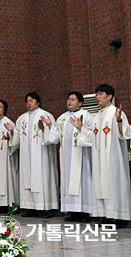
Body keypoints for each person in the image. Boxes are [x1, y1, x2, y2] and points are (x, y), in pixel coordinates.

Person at [47, 91, 94, 222]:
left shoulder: (86, 116)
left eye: (73, 99)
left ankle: (85, 212)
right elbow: (54, 138)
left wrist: (80, 128)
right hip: (66, 156)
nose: (69, 101)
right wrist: (50, 125)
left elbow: (91, 135)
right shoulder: (62, 117)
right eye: (68, 99)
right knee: (68, 182)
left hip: (81, 154)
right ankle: (73, 211)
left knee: (82, 181)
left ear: (80, 103)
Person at [11, 92, 58, 218]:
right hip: (27, 153)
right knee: (27, 178)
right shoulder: (21, 118)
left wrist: (46, 128)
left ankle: (45, 208)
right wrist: (11, 133)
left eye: (31, 100)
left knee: (42, 178)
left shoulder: (46, 115)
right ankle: (30, 207)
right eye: (27, 101)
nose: (29, 103)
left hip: (41, 153)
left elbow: (53, 136)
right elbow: (16, 135)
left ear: (38, 102)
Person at [91, 84, 131, 228]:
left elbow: (125, 134)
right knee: (101, 184)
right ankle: (106, 215)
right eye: (96, 94)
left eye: (101, 94)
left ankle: (120, 216)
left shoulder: (116, 112)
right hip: (99, 158)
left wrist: (119, 120)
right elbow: (91, 138)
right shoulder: (96, 116)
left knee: (115, 184)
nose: (97, 97)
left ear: (110, 96)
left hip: (114, 159)